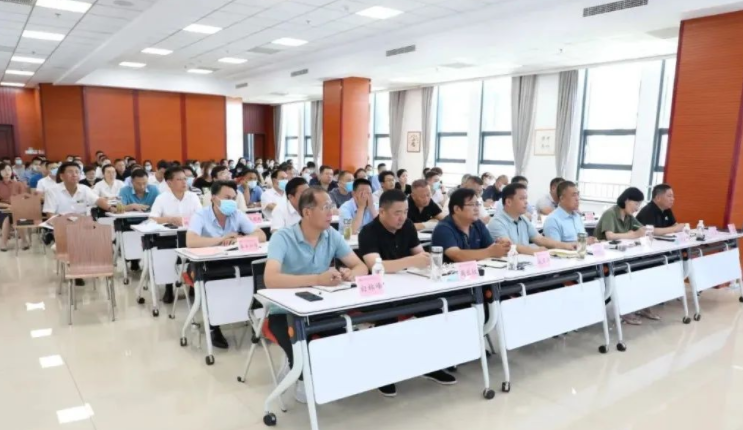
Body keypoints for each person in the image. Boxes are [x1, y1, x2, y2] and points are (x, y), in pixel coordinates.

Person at [264, 187, 368, 403]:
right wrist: (317, 279)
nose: (331, 212)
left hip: (321, 307)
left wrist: (350, 273)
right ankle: (299, 375)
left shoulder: (332, 235)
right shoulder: (282, 237)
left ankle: (326, 376)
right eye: (325, 207)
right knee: (303, 360)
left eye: (331, 206)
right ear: (307, 212)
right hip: (285, 312)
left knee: (346, 343)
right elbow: (270, 279)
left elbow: (361, 267)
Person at [357, 189, 457, 396]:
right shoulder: (368, 231)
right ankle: (384, 373)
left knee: (434, 310)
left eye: (405, 212)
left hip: (407, 287)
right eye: (397, 213)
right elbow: (376, 265)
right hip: (379, 294)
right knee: (387, 318)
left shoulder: (408, 226)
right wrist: (412, 261)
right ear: (382, 212)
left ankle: (431, 365)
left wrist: (427, 260)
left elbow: (419, 254)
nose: (402, 217)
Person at [186, 180, 267, 348]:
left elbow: (261, 235)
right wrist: (221, 239)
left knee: (253, 276)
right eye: (227, 198)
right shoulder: (200, 215)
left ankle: (255, 320)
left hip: (233, 261)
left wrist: (240, 239)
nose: (231, 201)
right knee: (215, 287)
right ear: (214, 198)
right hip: (206, 264)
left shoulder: (237, 214)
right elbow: (191, 241)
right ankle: (213, 326)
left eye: (233, 198)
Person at [488, 183, 577, 255]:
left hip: (525, 263)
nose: (526, 202)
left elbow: (540, 239)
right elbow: (509, 246)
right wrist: (534, 251)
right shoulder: (496, 222)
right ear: (508, 202)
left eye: (526, 198)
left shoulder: (523, 219)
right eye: (522, 198)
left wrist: (566, 245)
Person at [432, 188, 510, 262]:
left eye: (477, 204)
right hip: (450, 271)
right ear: (457, 209)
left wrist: (502, 247)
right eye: (471, 205)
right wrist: (490, 251)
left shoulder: (478, 224)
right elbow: (457, 255)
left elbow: (492, 248)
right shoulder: (443, 228)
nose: (476, 208)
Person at [43, 162, 112, 216]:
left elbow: (98, 200)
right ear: (62, 176)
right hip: (61, 224)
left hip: (82, 223)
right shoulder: (52, 191)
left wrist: (111, 208)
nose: (74, 175)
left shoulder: (84, 189)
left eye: (77, 172)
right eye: (70, 172)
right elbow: (50, 214)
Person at [0, 162, 29, 251]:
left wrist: (15, 205)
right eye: (3, 170)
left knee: (18, 216)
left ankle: (24, 240)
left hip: (18, 208)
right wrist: (8, 206)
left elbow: (24, 198)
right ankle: (3, 242)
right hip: (3, 209)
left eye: (9, 170)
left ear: (12, 171)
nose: (7, 172)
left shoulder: (18, 184)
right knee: (6, 218)